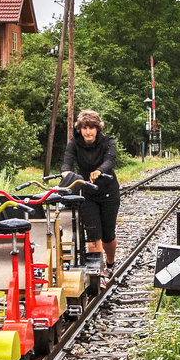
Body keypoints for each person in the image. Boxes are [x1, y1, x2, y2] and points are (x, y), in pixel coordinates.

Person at [61, 109, 121, 273]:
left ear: (97, 129)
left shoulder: (107, 141)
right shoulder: (75, 143)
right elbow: (67, 161)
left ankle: (110, 263)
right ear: (80, 129)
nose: (88, 132)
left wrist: (100, 171)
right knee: (94, 236)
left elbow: (110, 159)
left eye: (91, 128)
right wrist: (66, 173)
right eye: (84, 128)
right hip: (88, 193)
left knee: (108, 236)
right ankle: (98, 273)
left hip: (109, 192)